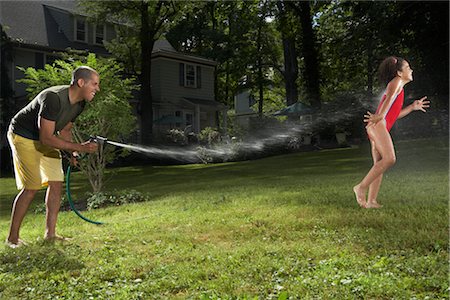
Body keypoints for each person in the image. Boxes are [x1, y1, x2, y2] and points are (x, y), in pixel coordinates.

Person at [5, 66, 100, 248]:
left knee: (56, 183)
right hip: (23, 136)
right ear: (81, 82)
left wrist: (71, 152)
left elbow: (65, 129)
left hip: (47, 139)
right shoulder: (54, 98)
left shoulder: (80, 104)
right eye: (95, 84)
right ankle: (13, 239)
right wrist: (80, 146)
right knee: (31, 188)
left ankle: (50, 235)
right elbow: (46, 138)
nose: (97, 89)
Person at [353, 56, 430, 208]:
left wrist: (412, 107)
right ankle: (360, 187)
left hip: (378, 125)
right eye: (408, 67)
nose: (411, 70)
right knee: (389, 159)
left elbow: (394, 115)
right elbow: (387, 103)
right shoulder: (396, 83)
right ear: (399, 73)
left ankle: (371, 201)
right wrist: (381, 114)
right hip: (377, 124)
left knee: (379, 164)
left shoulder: (399, 87)